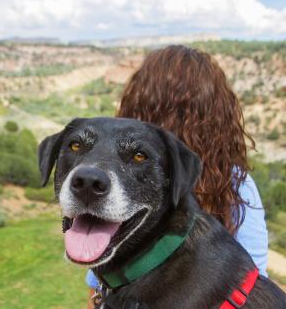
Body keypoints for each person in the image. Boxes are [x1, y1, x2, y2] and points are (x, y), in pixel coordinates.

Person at [86, 45, 268, 308]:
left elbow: (98, 286)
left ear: (135, 109)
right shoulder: (237, 183)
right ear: (218, 117)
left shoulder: (117, 181)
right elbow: (252, 281)